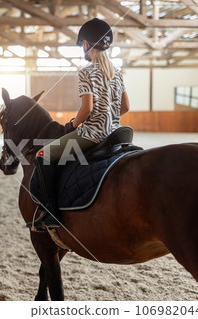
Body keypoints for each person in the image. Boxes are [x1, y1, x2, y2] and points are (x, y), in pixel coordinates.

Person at [33, 18, 130, 229]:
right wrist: (110, 116)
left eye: (82, 45)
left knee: (43, 155)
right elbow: (126, 107)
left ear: (86, 44)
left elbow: (86, 109)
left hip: (92, 135)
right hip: (116, 132)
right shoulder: (117, 73)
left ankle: (51, 214)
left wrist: (73, 125)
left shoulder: (86, 72)